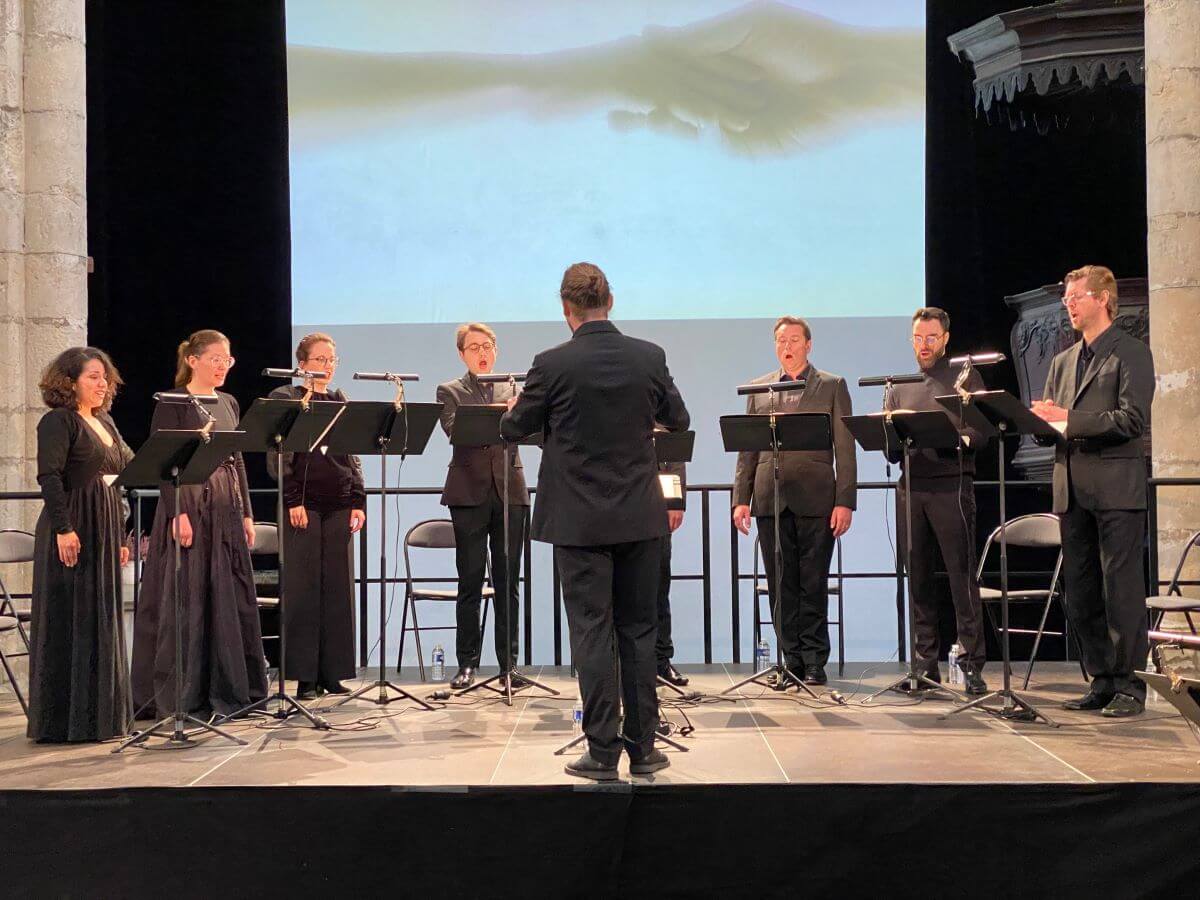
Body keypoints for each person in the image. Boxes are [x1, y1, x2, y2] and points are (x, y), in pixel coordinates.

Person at [502, 262, 689, 781]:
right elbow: (679, 420)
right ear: (612, 301)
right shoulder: (648, 357)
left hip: (579, 522)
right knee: (639, 630)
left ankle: (602, 752)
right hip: (638, 516)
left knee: (591, 632)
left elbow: (512, 425)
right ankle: (645, 750)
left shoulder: (551, 364)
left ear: (567, 309)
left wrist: (526, 407)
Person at [1032, 265, 1155, 718]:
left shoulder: (1131, 353)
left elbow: (1132, 420)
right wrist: (1040, 422)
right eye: (1066, 297)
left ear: (1103, 298)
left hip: (1116, 491)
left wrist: (1067, 419)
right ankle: (1102, 679)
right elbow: (1054, 423)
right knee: (1081, 591)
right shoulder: (1063, 361)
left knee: (1120, 590)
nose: (1068, 303)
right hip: (1072, 491)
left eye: (1076, 296)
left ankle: (1130, 685)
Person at [130, 329, 268, 719]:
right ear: (193, 361)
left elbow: (236, 458)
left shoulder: (228, 402)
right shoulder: (172, 402)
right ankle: (182, 695)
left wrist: (246, 513)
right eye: (216, 359)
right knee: (186, 595)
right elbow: (165, 461)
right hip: (188, 497)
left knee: (225, 594)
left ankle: (227, 687)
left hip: (225, 503)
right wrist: (178, 512)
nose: (224, 366)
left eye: (228, 360)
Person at [732, 316, 856, 687]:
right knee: (779, 583)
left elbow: (845, 449)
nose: (788, 346)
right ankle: (791, 661)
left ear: (808, 345)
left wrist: (845, 500)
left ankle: (816, 661)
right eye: (781, 340)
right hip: (770, 499)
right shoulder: (759, 389)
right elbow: (748, 451)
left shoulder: (832, 386)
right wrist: (741, 499)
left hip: (817, 499)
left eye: (795, 339)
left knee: (812, 582)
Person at [27, 348, 134, 743]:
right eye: (92, 376)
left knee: (101, 618)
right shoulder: (58, 421)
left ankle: (100, 718)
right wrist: (63, 529)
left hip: (104, 524)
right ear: (69, 382)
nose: (101, 382)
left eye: (104, 376)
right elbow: (50, 477)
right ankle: (64, 722)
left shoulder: (105, 420)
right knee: (72, 618)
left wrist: (121, 536)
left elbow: (123, 472)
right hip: (72, 523)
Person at [885, 307, 988, 695]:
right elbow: (892, 452)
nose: (923, 346)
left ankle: (972, 664)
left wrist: (958, 438)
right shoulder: (901, 385)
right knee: (920, 580)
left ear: (945, 338)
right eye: (917, 338)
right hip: (912, 489)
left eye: (930, 338)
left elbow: (982, 431)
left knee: (961, 578)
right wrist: (888, 433)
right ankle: (924, 667)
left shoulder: (965, 376)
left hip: (951, 488)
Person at [267, 333, 366, 700]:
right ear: (302, 364)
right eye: (320, 359)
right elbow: (280, 453)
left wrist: (359, 500)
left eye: (332, 360)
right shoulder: (286, 398)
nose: (327, 366)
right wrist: (292, 499)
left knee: (337, 589)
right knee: (305, 590)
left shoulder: (339, 399)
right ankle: (305, 677)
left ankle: (333, 673)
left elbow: (351, 455)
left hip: (338, 503)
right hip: (303, 505)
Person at [435, 323, 529, 689]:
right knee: (470, 580)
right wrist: (502, 414)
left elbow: (527, 431)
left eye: (487, 345)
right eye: (474, 347)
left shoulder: (514, 388)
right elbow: (456, 431)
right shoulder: (450, 390)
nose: (482, 352)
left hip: (510, 491)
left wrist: (518, 412)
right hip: (468, 493)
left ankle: (510, 666)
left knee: (509, 581)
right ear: (462, 354)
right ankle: (467, 664)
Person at [655, 430, 688, 686]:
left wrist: (676, 502)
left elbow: (675, 455)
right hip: (617, 504)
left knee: (658, 587)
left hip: (656, 504)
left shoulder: (659, 398)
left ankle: (661, 661)